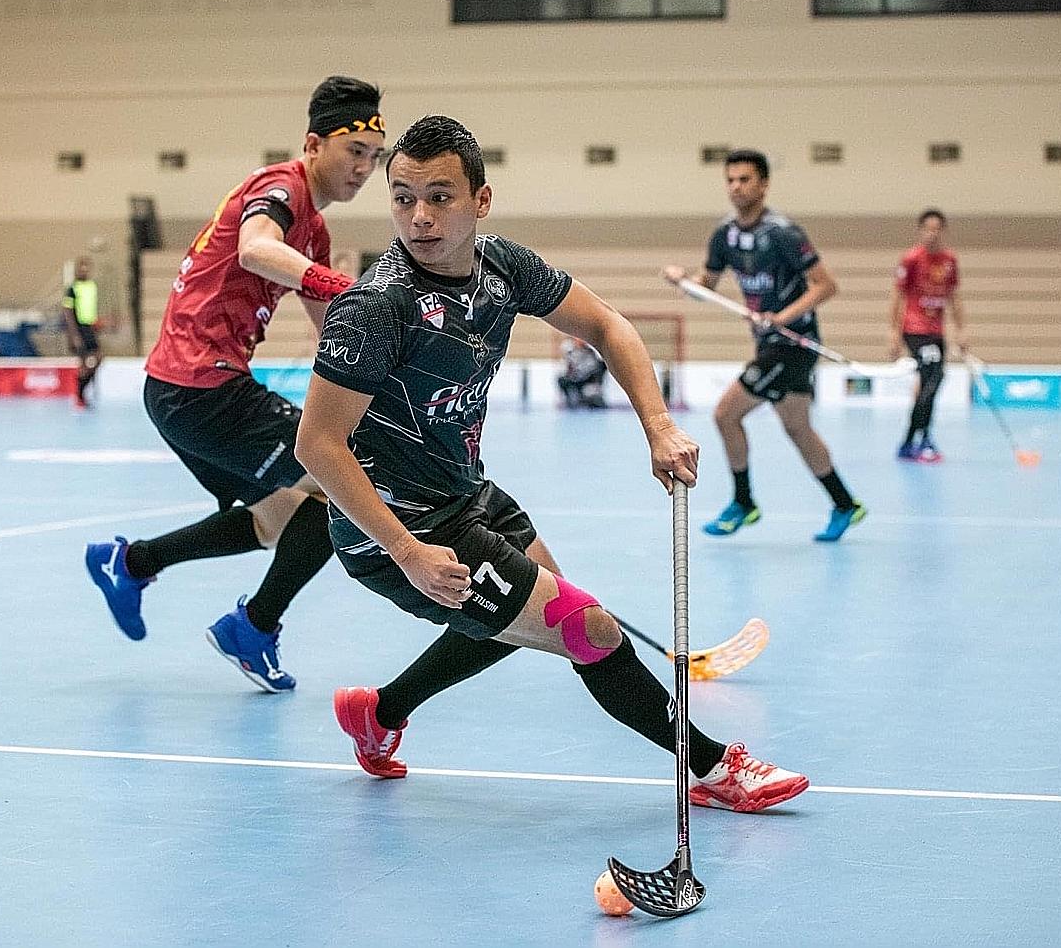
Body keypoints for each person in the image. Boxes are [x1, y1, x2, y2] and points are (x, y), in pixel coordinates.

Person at [296, 116, 808, 811]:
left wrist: (657, 426)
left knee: (530, 616)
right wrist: (408, 551)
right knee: (586, 627)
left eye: (440, 196)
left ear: (481, 200)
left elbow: (606, 325)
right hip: (396, 527)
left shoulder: (503, 267)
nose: (419, 217)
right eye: (404, 196)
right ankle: (717, 769)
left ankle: (380, 713)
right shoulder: (376, 306)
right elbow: (317, 446)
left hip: (465, 492)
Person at [84, 76, 385, 692]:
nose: (364, 168)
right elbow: (253, 249)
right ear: (313, 143)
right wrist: (341, 287)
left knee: (275, 519)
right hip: (203, 387)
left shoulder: (317, 234)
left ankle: (132, 562)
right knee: (335, 489)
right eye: (355, 151)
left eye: (374, 158)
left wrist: (383, 374)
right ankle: (253, 626)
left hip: (182, 390)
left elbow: (333, 331)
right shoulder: (278, 188)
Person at [664, 149, 865, 543]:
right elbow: (706, 286)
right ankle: (845, 504)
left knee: (725, 415)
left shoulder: (783, 233)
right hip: (768, 343)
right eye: (731, 180)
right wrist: (683, 280)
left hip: (793, 343)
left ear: (764, 184)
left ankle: (743, 502)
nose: (736, 187)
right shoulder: (725, 235)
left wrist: (783, 317)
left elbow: (826, 286)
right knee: (797, 428)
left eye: (745, 179)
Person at [891, 209, 967, 463]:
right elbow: (898, 296)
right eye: (927, 228)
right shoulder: (912, 259)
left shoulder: (949, 261)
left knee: (931, 383)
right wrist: (893, 334)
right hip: (914, 330)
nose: (932, 234)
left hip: (937, 332)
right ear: (920, 230)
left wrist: (961, 331)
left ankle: (915, 440)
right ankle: (918, 439)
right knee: (933, 376)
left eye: (937, 229)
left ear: (943, 231)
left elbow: (954, 297)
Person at [62, 257, 102, 408]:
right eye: (81, 268)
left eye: (86, 268)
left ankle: (82, 388)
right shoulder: (72, 288)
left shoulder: (92, 286)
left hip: (90, 327)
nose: (84, 271)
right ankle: (79, 395)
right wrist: (74, 335)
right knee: (84, 363)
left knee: (98, 358)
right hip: (78, 328)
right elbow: (68, 312)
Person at [556, 336, 607, 408]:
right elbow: (567, 369)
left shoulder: (591, 352)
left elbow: (600, 366)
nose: (580, 340)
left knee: (594, 400)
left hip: (589, 380)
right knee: (562, 380)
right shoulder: (570, 352)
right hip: (576, 379)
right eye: (578, 339)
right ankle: (570, 399)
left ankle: (592, 396)